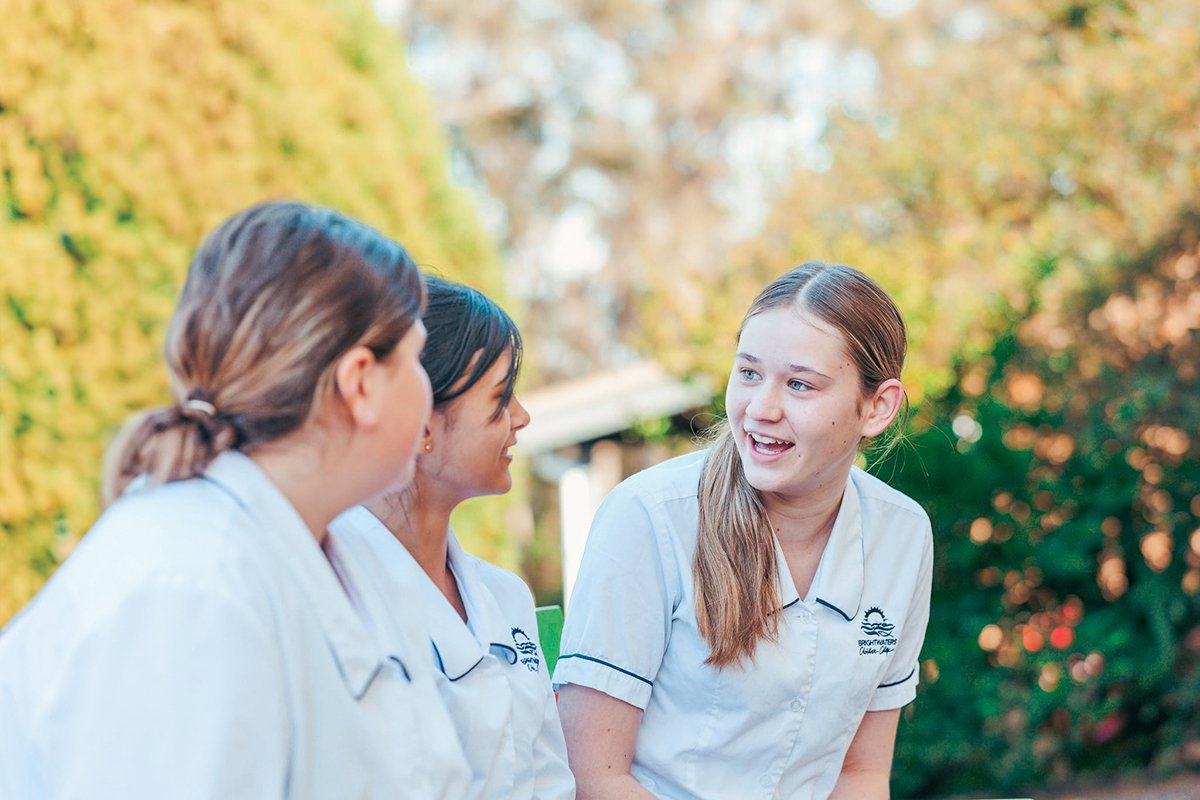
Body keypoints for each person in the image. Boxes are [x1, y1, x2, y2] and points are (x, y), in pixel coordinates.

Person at [0, 201, 471, 798]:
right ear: (360, 383)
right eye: (415, 359)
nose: (428, 394)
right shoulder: (191, 591)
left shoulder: (329, 552)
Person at [554, 262, 934, 800]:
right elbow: (593, 777)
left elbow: (861, 775)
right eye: (749, 373)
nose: (760, 409)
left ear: (877, 407)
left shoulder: (903, 534)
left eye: (800, 384)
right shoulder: (648, 516)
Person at [330, 275, 575, 800]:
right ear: (419, 422)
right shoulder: (328, 589)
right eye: (502, 395)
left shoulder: (506, 597)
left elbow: (549, 782)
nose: (523, 416)